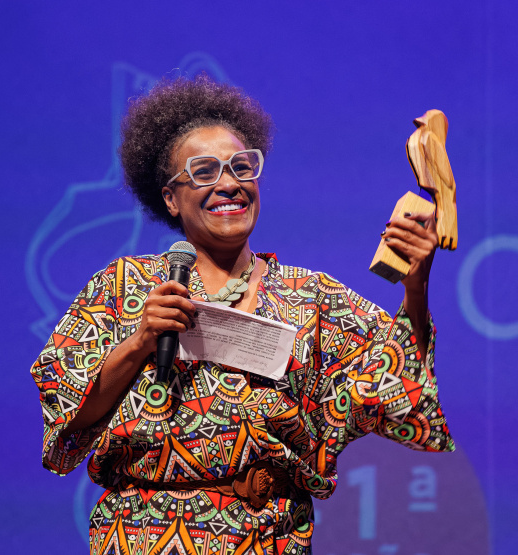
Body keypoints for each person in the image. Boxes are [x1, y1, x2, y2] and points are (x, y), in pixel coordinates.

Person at [31, 75, 454, 555]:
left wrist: (415, 287)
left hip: (269, 538)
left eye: (241, 167)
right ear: (170, 197)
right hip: (143, 537)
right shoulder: (123, 286)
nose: (229, 183)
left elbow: (397, 390)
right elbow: (68, 422)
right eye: (204, 171)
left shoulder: (313, 297)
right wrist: (140, 341)